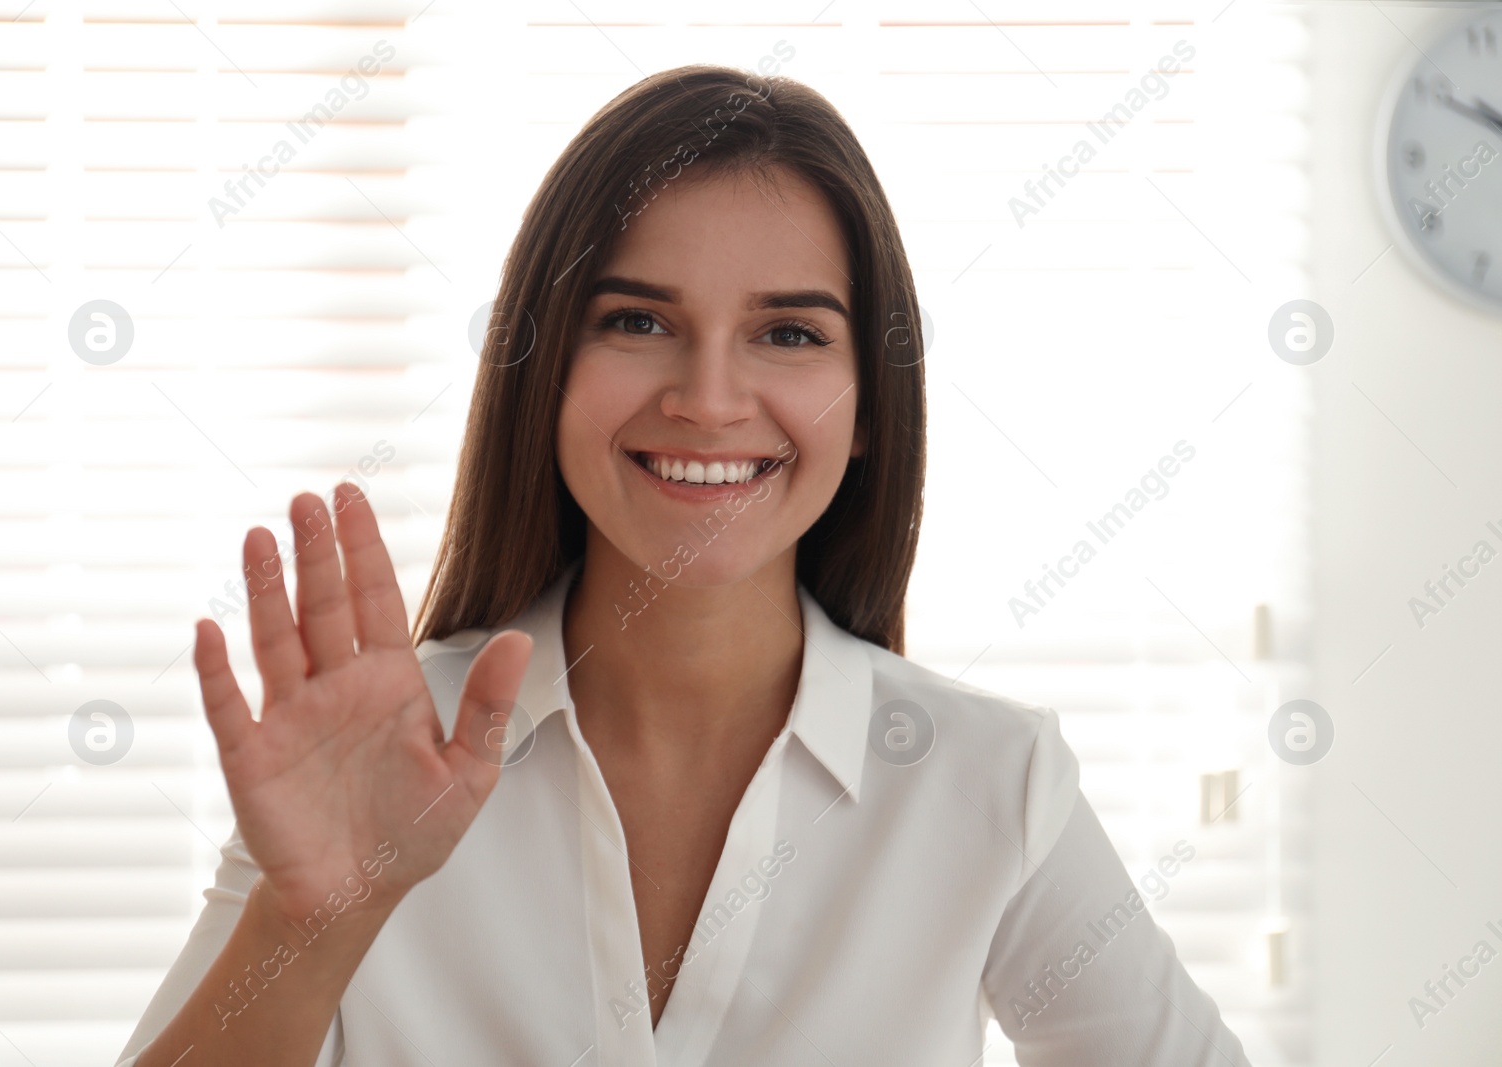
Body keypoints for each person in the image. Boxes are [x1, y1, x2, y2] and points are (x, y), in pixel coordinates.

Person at [117, 64, 1251, 1066]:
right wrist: (312, 920)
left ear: (868, 409)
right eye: (638, 322)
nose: (707, 399)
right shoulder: (380, 758)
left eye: (790, 333)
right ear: (545, 370)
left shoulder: (990, 784)